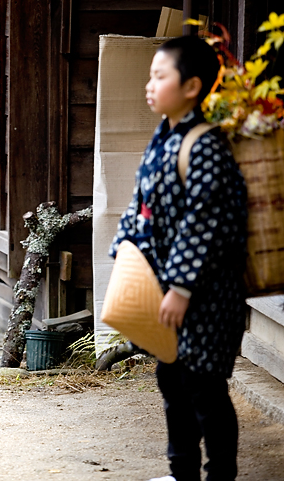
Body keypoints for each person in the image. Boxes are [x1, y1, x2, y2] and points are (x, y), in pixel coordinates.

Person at [109, 35, 248, 481]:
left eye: (159, 76)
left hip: (205, 296)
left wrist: (182, 287)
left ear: (191, 86)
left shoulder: (206, 145)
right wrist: (127, 252)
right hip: (166, 291)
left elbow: (204, 223)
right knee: (172, 381)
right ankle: (182, 471)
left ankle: (220, 474)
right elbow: (140, 202)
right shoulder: (163, 138)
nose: (149, 85)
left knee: (204, 387)